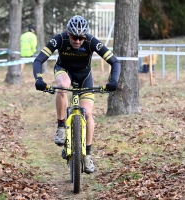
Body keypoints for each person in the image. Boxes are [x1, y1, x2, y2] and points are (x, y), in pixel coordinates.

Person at [33, 15, 121, 174]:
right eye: (74, 37)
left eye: (81, 37)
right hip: (64, 71)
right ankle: (61, 126)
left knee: (87, 114)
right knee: (62, 86)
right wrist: (38, 79)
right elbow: (38, 60)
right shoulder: (59, 39)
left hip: (84, 77)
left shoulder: (91, 41)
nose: (78, 41)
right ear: (68, 33)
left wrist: (113, 81)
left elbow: (114, 61)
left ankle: (87, 154)